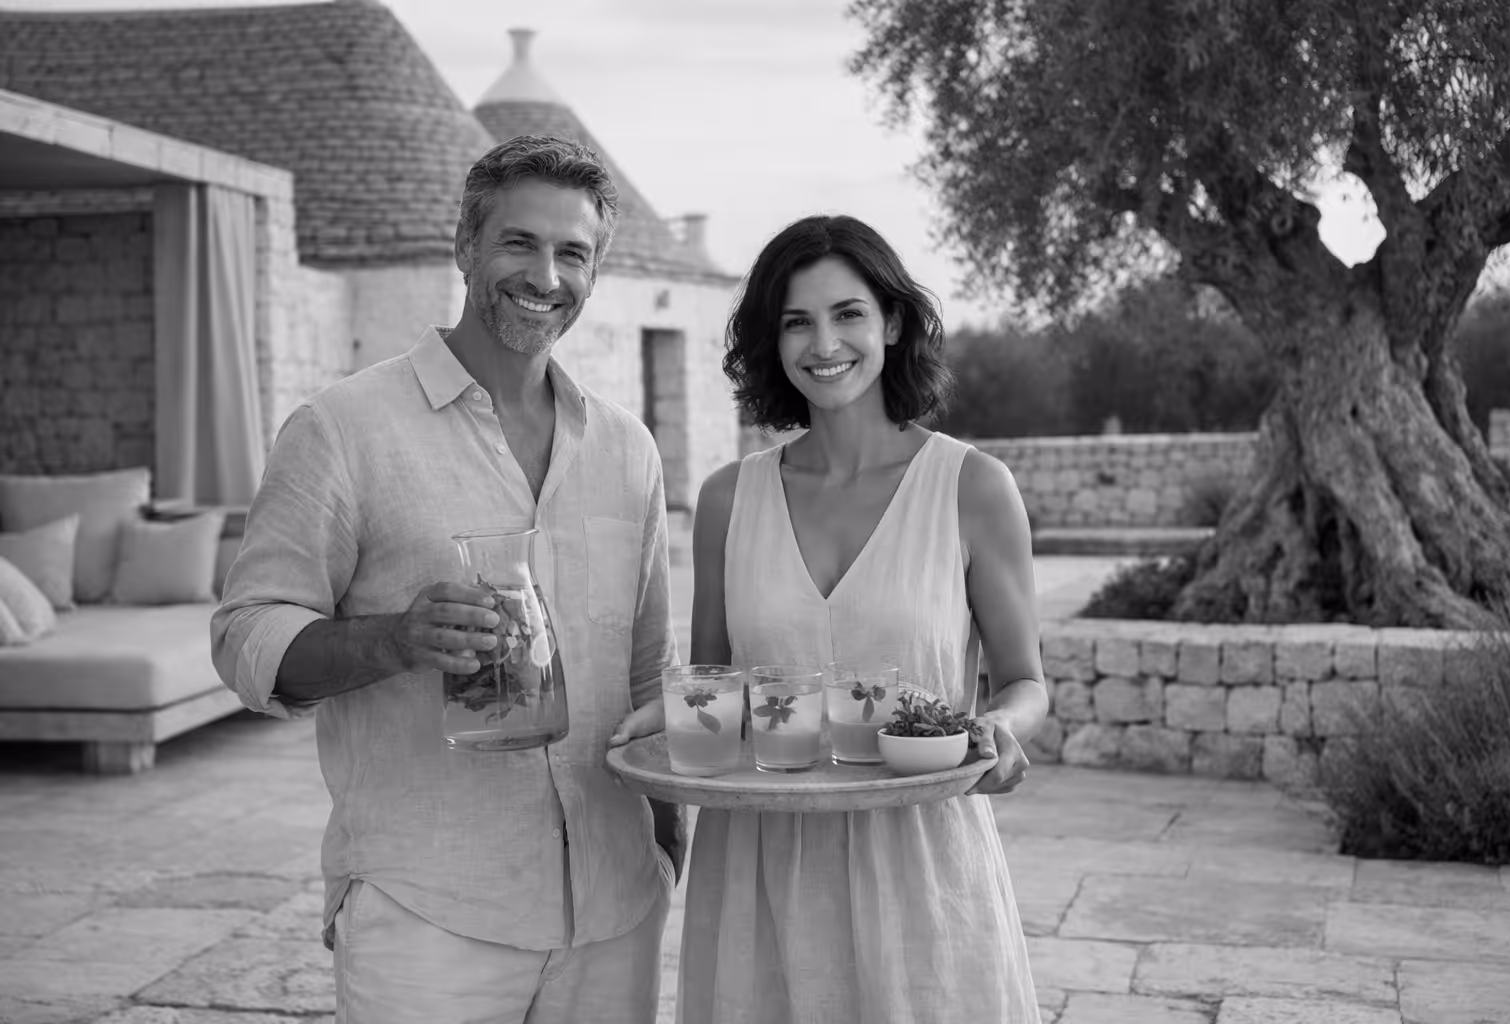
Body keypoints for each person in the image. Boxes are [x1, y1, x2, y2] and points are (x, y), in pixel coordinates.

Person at [211, 134, 684, 1024]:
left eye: (572, 253)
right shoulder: (342, 428)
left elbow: (648, 672)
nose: (545, 275)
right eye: (519, 242)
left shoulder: (629, 449)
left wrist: (666, 851)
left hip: (616, 913)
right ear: (464, 246)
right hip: (428, 913)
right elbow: (245, 637)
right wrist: (395, 638)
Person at [676, 214, 1047, 1023]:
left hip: (922, 857)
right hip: (759, 866)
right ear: (771, 343)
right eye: (796, 321)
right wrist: (660, 718)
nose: (824, 343)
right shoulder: (725, 500)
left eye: (847, 313)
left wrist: (1002, 727)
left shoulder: (972, 486)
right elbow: (715, 685)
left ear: (892, 321)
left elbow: (1024, 681)